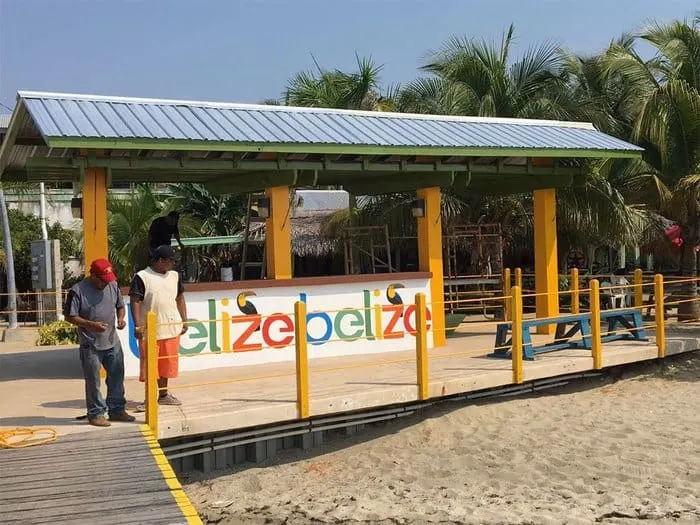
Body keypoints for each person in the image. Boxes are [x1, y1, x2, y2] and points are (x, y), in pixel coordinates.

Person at [64, 259, 135, 427]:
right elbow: (70, 316)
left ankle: (117, 410)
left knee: (117, 377)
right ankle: (96, 413)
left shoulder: (112, 285)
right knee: (93, 381)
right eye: (103, 280)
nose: (105, 283)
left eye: (108, 279)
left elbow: (120, 305)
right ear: (93, 276)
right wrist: (91, 325)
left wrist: (121, 318)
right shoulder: (77, 290)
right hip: (90, 344)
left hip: (112, 341)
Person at [130, 245, 188, 406]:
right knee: (150, 366)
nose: (173, 265)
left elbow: (180, 298)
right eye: (171, 261)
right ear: (161, 260)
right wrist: (138, 325)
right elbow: (135, 300)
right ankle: (149, 398)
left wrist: (184, 319)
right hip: (150, 331)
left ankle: (163, 395)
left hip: (170, 328)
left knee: (166, 365)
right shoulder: (142, 277)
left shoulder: (174, 276)